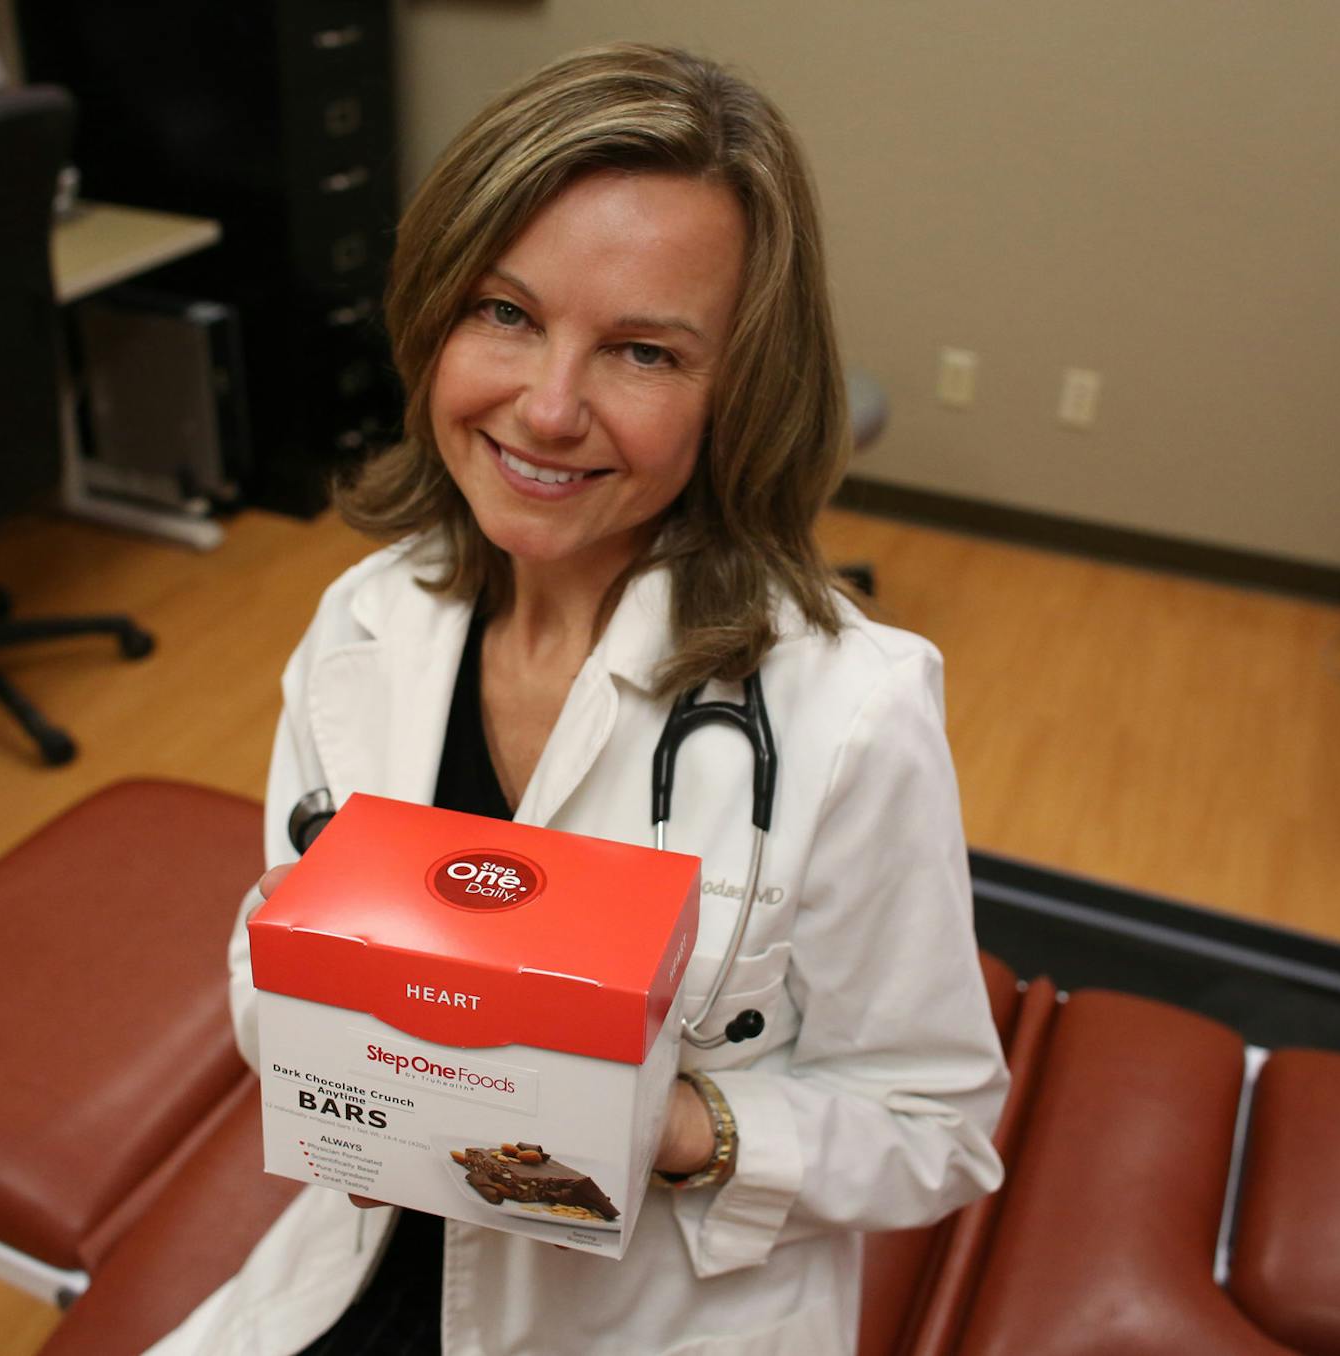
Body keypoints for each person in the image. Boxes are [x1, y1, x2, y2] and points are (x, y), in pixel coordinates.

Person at [152, 43, 1009, 1356]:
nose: (547, 408)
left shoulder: (851, 715)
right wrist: (329, 1021)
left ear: (736, 393)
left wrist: (671, 1125)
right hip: (366, 1260)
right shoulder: (363, 630)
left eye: (643, 352)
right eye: (504, 313)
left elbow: (935, 1129)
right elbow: (270, 951)